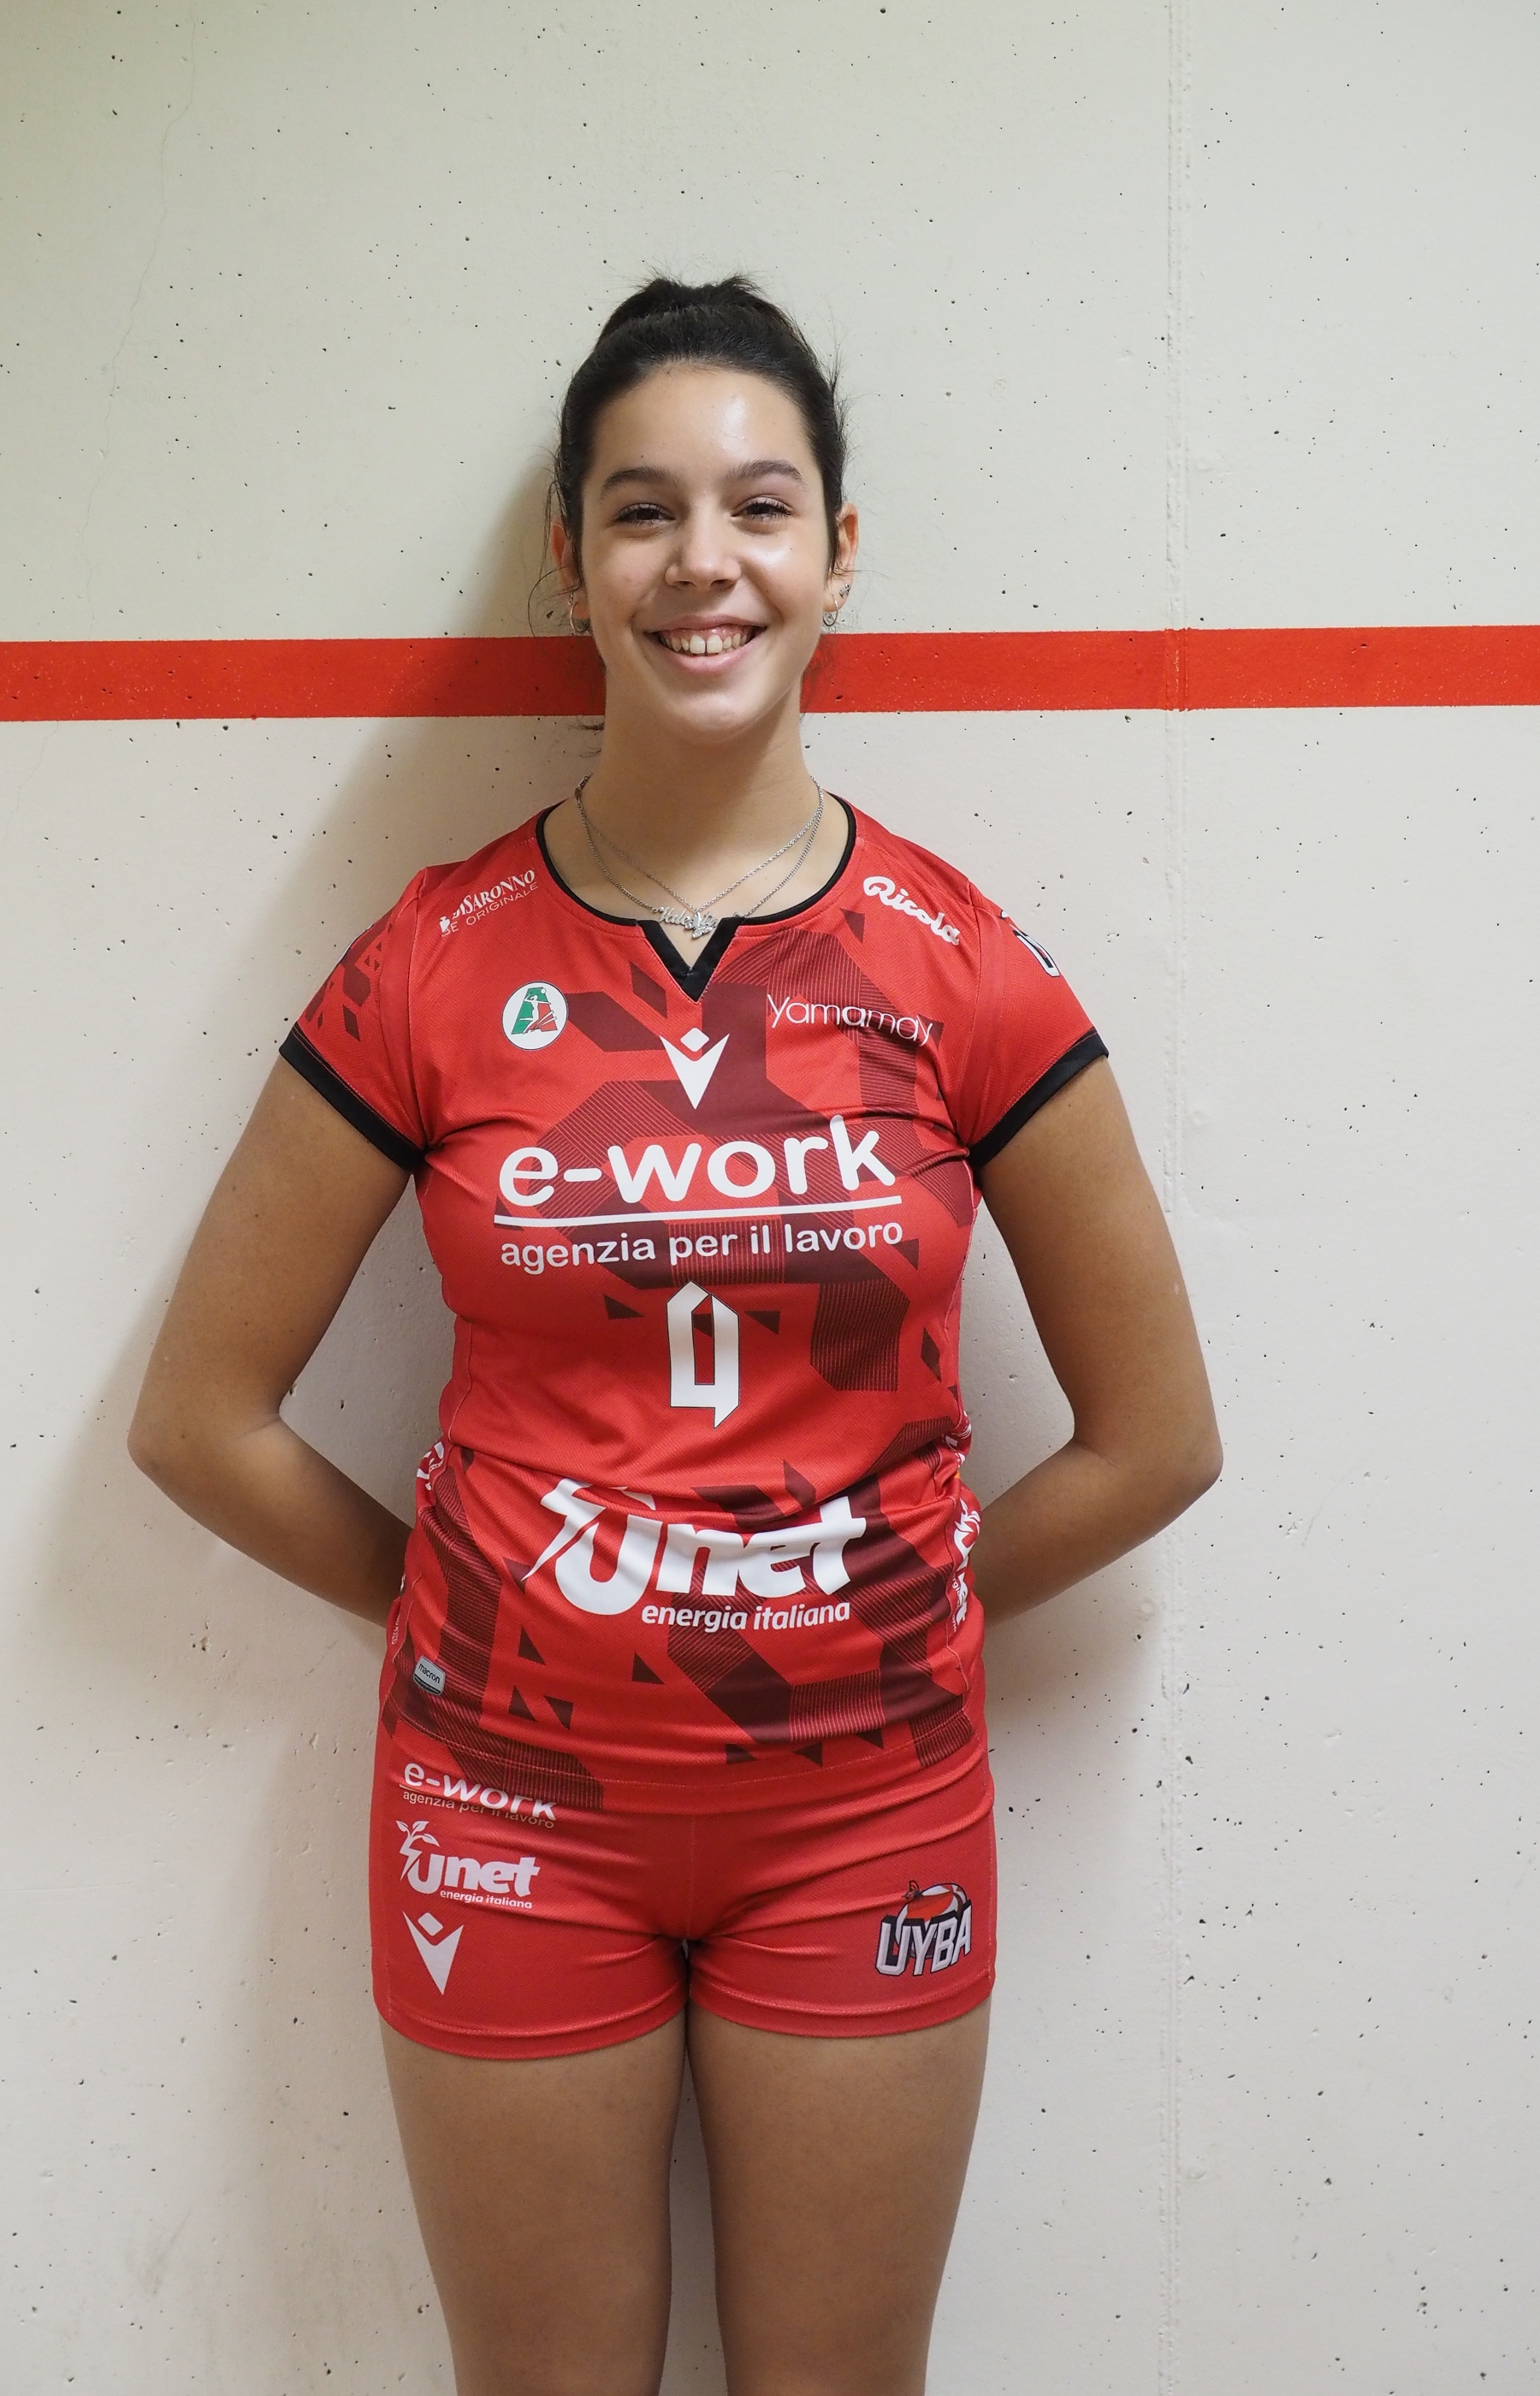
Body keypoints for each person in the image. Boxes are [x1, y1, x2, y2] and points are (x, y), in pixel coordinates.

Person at [129, 276, 1221, 2396]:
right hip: (507, 1805)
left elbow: (1158, 1433)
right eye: (642, 511)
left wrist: (909, 1599)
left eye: (757, 506)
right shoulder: (435, 955)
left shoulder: (958, 957)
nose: (701, 561)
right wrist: (464, 1610)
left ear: (837, 552)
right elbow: (199, 1418)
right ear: (571, 560)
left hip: (868, 1808)